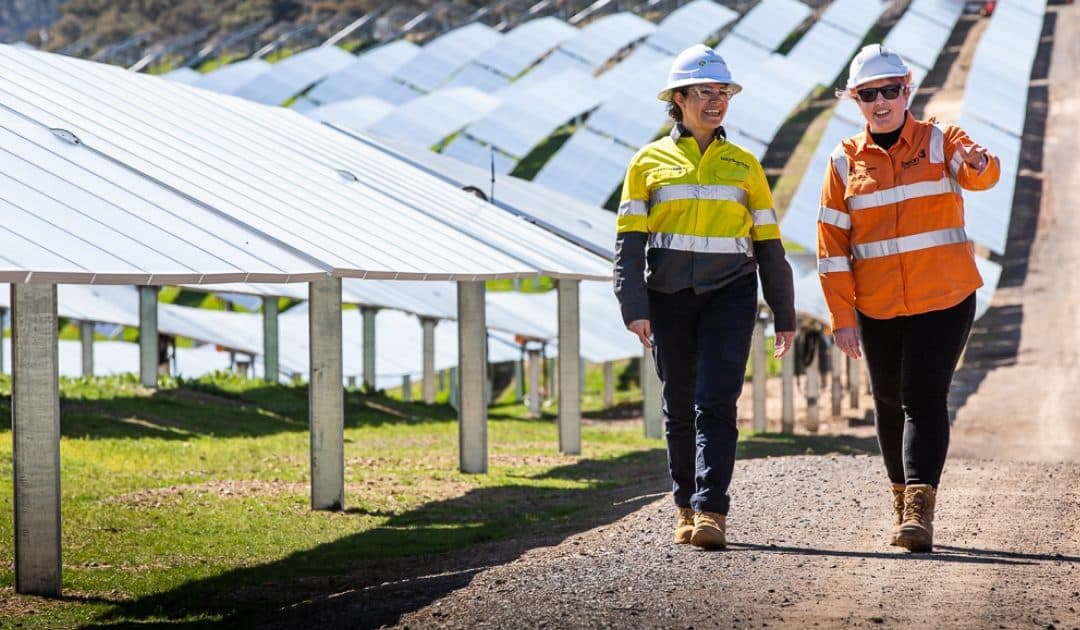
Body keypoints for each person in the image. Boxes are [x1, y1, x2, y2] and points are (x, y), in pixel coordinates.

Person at [817, 44, 1000, 552]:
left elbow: (980, 173)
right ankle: (901, 497)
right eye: (868, 94)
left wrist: (978, 161)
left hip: (943, 296)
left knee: (922, 395)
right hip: (878, 306)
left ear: (907, 89)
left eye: (890, 91)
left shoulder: (942, 140)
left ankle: (920, 509)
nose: (881, 102)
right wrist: (842, 315)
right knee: (888, 402)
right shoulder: (841, 161)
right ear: (855, 99)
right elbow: (831, 248)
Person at [613, 44, 796, 550]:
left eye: (723, 92)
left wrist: (784, 311)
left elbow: (768, 245)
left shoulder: (744, 165)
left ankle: (711, 509)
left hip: (730, 295)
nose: (715, 101)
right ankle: (683, 507)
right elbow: (629, 242)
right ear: (678, 98)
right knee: (679, 404)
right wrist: (634, 306)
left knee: (716, 400)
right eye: (704, 92)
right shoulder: (646, 163)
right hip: (668, 296)